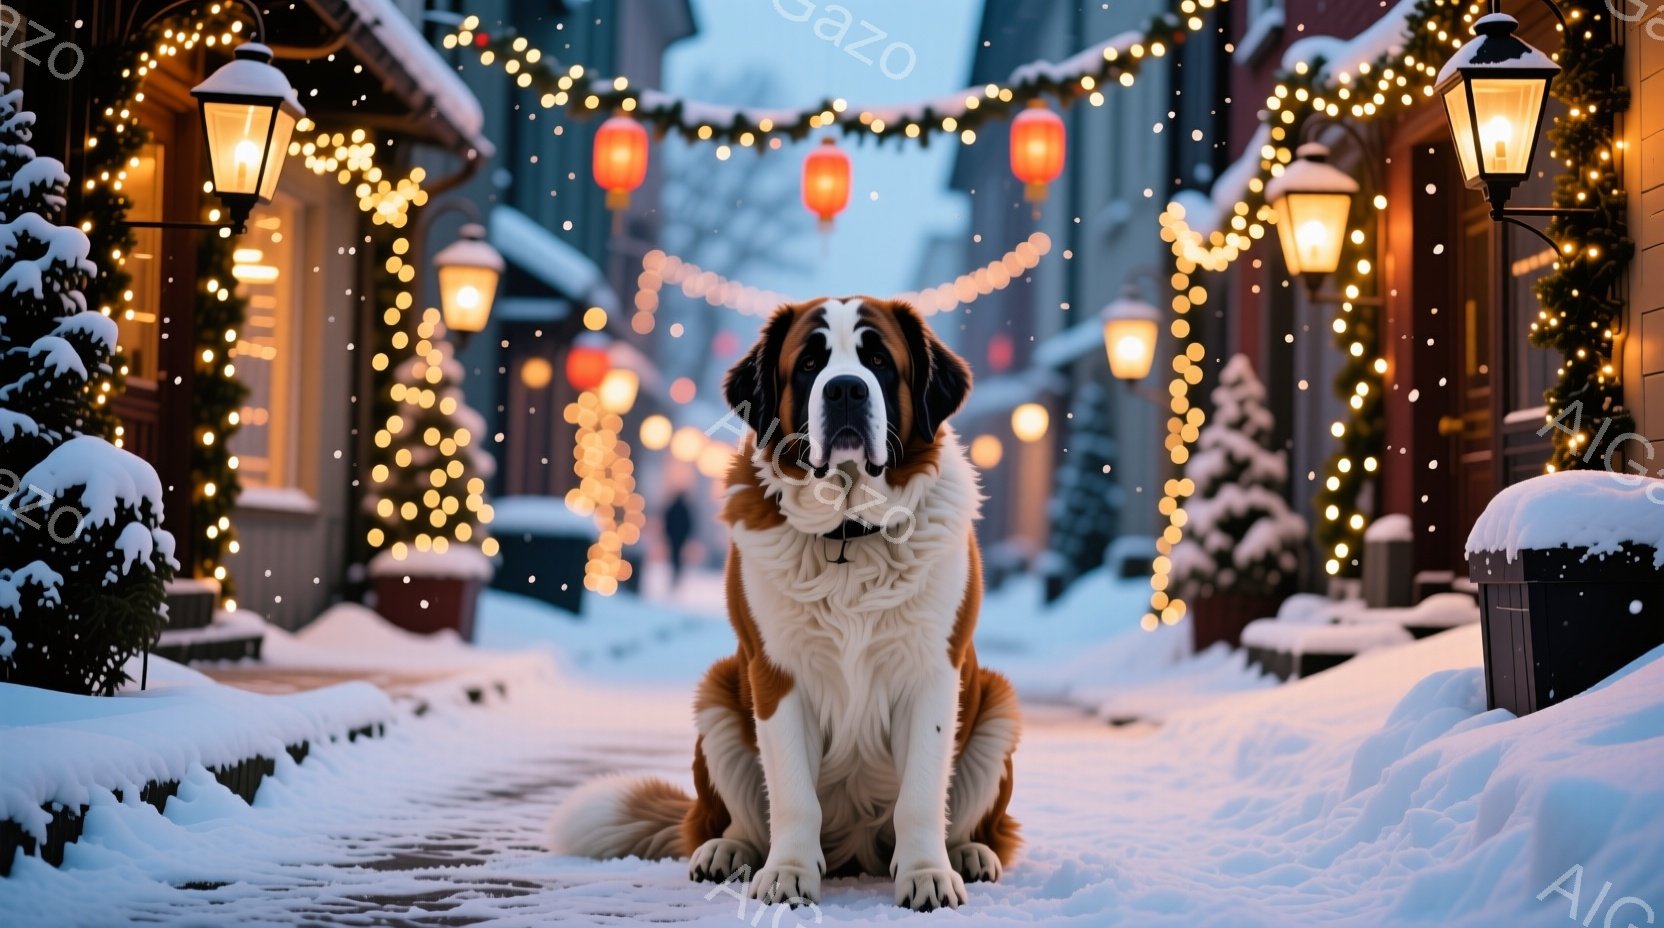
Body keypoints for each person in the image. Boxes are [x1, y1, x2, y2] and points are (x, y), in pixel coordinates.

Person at [664, 491, 693, 588]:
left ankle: (674, 575)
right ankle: (675, 575)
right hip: (679, 538)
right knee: (677, 557)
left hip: (674, 537)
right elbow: (688, 524)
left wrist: (668, 534)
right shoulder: (685, 509)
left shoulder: (673, 508)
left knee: (674, 556)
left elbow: (667, 522)